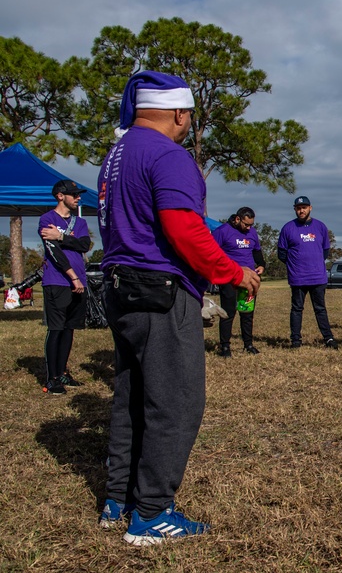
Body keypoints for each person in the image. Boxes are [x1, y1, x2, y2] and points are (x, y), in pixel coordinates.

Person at [98, 71, 260, 545]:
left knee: (132, 397)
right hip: (160, 291)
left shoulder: (117, 154)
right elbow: (184, 229)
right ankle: (151, 513)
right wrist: (233, 271)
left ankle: (119, 500)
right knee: (176, 399)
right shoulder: (169, 155)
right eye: (188, 115)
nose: (188, 123)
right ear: (178, 113)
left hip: (120, 286)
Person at [38, 179, 92, 394]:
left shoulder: (80, 223)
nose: (78, 197)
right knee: (57, 328)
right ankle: (52, 378)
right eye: (73, 194)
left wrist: (60, 236)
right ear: (60, 196)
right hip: (58, 281)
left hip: (79, 281)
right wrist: (72, 277)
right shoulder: (47, 219)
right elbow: (54, 252)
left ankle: (62, 373)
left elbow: (84, 245)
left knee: (69, 328)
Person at [278, 196, 338, 349]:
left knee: (320, 309)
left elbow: (325, 251)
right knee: (297, 309)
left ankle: (328, 339)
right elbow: (282, 253)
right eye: (298, 208)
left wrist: (315, 263)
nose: (301, 210)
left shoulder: (320, 227)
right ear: (294, 209)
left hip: (318, 277)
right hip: (298, 278)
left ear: (310, 208)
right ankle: (296, 340)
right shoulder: (288, 228)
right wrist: (296, 265)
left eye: (304, 207)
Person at [211, 206, 266, 356]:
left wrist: (261, 264)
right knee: (228, 312)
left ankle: (248, 345)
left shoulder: (252, 233)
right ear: (237, 219)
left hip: (249, 280)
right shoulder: (222, 232)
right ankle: (225, 347)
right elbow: (212, 253)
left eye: (251, 225)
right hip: (229, 278)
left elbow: (256, 251)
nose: (249, 228)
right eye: (246, 224)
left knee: (247, 313)